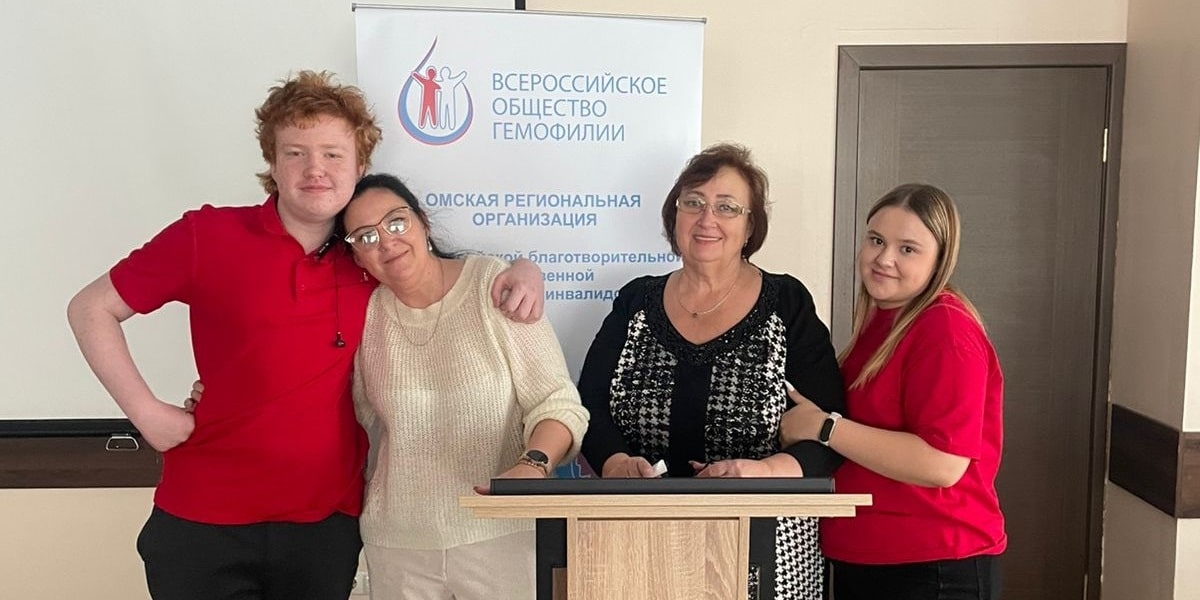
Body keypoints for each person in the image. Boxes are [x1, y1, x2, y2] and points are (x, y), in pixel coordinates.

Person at [65, 71, 543, 600]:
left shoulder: (368, 256)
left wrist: (522, 269)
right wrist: (147, 413)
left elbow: (445, 277)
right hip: (204, 519)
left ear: (360, 166)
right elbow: (91, 308)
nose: (316, 169)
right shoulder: (207, 235)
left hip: (322, 527)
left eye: (333, 154)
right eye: (296, 153)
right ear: (272, 164)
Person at [577, 143, 846, 600]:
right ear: (674, 216)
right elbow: (589, 406)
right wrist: (615, 462)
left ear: (749, 227)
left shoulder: (786, 303)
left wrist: (765, 472)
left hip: (767, 542)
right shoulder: (636, 301)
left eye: (726, 207)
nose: (707, 219)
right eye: (694, 203)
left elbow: (828, 426)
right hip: (640, 538)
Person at [340, 173, 589, 600]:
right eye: (366, 236)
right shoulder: (364, 313)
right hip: (398, 546)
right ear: (357, 257)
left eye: (396, 222)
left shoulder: (493, 286)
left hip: (501, 533)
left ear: (423, 222)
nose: (386, 242)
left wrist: (533, 465)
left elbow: (558, 403)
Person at [780, 183, 1006, 600]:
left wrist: (824, 428)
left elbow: (942, 463)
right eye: (876, 240)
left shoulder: (945, 329)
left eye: (908, 249)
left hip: (933, 568)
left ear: (939, 260)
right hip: (872, 561)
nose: (884, 258)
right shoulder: (883, 323)